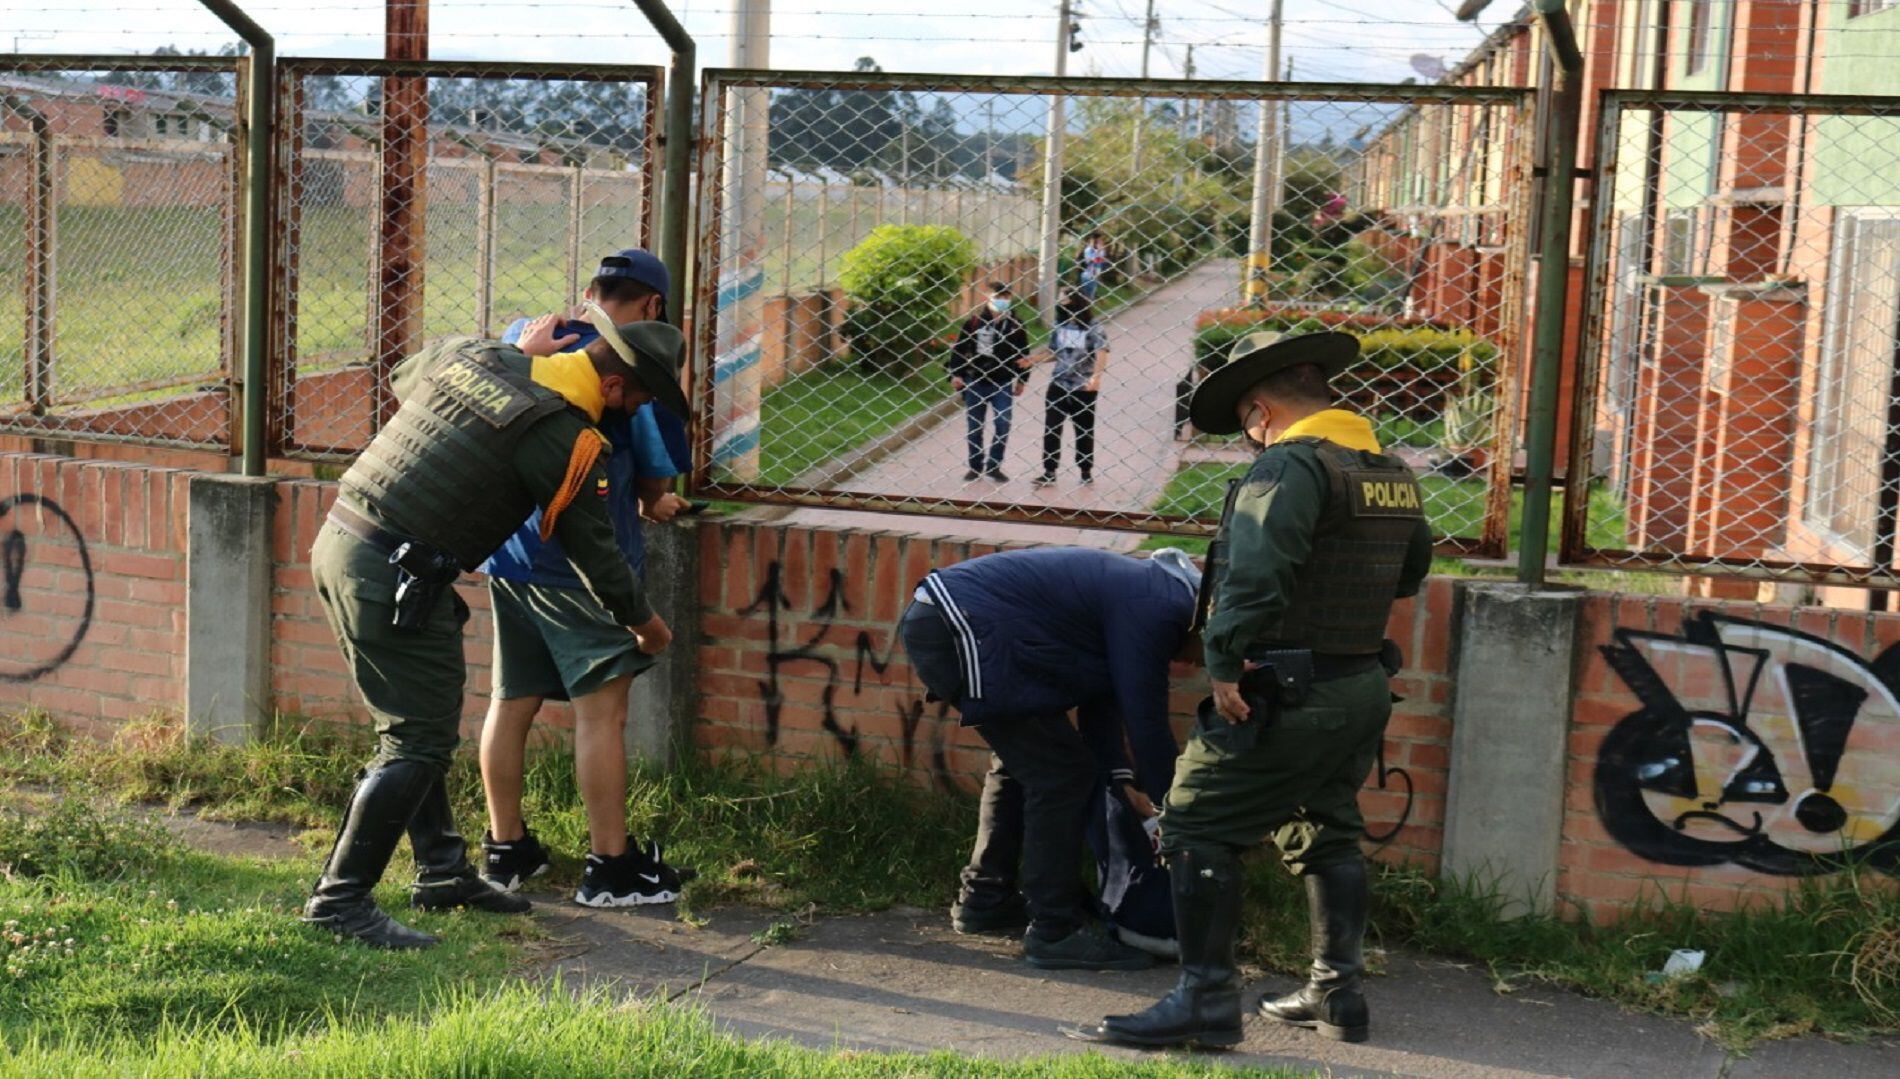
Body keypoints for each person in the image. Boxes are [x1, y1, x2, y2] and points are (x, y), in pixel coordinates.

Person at [1074, 331, 1433, 1048]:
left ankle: (1206, 1000)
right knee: (1327, 828)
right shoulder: (1389, 470)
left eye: (1246, 422)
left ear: (1261, 411)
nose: (1250, 435)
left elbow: (1255, 573)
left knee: (1195, 821)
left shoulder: (1289, 465)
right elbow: (1411, 572)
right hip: (1360, 684)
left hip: (1285, 690)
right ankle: (1338, 992)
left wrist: (1225, 659)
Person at [301, 309, 690, 950]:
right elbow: (594, 551)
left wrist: (519, 354)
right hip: (391, 571)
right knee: (417, 741)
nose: (633, 413)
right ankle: (339, 903)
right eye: (639, 401)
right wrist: (646, 627)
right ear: (615, 386)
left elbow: (404, 376)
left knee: (415, 728)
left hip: (346, 542)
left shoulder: (480, 358)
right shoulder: (563, 434)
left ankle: (444, 872)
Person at [476, 248, 693, 908]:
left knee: (511, 699)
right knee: (602, 714)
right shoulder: (634, 361)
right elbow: (654, 473)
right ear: (653, 305)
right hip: (583, 566)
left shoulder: (527, 336)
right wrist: (656, 500)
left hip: (510, 553)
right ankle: (610, 867)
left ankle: (505, 850)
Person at [897, 546, 1200, 971]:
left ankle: (987, 898)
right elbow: (1146, 723)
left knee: (1028, 763)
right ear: (1207, 624)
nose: (1197, 664)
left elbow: (1103, 711)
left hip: (959, 618)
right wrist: (1178, 815)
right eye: (1216, 651)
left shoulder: (1153, 597)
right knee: (1062, 774)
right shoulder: (1162, 607)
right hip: (961, 621)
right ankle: (1054, 930)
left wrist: (1124, 783)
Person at [949, 283, 1029, 482]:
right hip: (976, 380)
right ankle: (975, 466)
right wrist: (956, 374)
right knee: (974, 427)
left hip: (1002, 382)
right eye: (998, 297)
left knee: (1003, 424)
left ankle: (994, 465)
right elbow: (959, 349)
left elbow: (1023, 353)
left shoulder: (1016, 324)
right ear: (988, 298)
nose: (1002, 301)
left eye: (1006, 297)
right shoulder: (974, 322)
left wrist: (1022, 379)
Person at [1033, 290, 1108, 486]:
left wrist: (1096, 377)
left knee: (1083, 430)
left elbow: (1102, 351)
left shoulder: (1093, 326)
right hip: (1059, 383)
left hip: (1083, 386)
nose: (1061, 304)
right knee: (1052, 427)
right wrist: (1033, 360)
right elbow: (1054, 352)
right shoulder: (1060, 325)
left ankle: (1085, 470)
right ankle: (1049, 470)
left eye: (1064, 300)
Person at [1077, 232, 1110, 300]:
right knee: (1085, 296)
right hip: (1086, 275)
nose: (1102, 242)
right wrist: (1097, 252)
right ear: (1094, 241)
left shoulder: (1101, 250)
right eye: (1100, 240)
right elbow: (1088, 261)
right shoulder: (1088, 250)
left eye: (1102, 241)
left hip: (1095, 275)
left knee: (1091, 296)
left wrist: (1100, 252)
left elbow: (1101, 260)